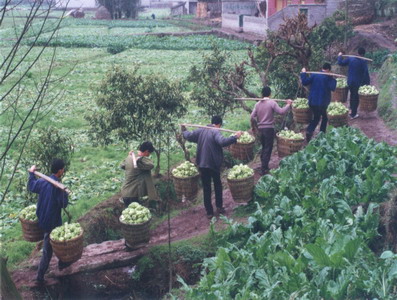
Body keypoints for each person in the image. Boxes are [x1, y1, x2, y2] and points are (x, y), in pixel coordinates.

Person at [181, 116, 242, 219]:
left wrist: (183, 130)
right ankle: (219, 207)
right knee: (217, 185)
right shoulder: (215, 131)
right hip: (213, 163)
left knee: (206, 187)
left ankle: (209, 212)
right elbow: (222, 142)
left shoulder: (201, 130)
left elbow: (189, 136)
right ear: (219, 124)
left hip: (202, 164)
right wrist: (235, 137)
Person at [28, 159, 69, 284]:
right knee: (48, 249)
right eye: (63, 169)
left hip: (42, 218)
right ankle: (39, 277)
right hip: (52, 221)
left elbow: (31, 186)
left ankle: (62, 263)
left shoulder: (42, 181)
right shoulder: (57, 187)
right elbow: (63, 204)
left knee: (56, 241)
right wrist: (65, 193)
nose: (63, 171)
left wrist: (31, 173)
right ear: (60, 170)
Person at [250, 86, 293, 175]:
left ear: (262, 94)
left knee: (264, 147)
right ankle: (264, 168)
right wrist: (288, 104)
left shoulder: (257, 104)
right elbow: (281, 112)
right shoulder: (272, 103)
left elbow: (252, 116)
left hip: (260, 129)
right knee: (268, 148)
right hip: (269, 129)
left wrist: (254, 126)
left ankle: (263, 165)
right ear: (270, 94)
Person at [300, 63, 337, 141]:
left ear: (322, 68)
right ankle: (321, 134)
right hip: (322, 103)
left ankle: (310, 131)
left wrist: (303, 73)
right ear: (328, 70)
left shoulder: (314, 75)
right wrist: (332, 78)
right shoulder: (328, 77)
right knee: (324, 118)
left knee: (317, 117)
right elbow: (333, 88)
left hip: (313, 101)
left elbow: (304, 82)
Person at [120, 141, 159, 207]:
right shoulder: (141, 160)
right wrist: (139, 160)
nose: (149, 155)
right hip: (133, 195)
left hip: (125, 193)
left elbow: (122, 165)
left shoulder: (130, 158)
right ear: (146, 151)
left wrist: (129, 156)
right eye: (149, 153)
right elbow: (151, 165)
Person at [337, 47, 370, 119]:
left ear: (357, 52)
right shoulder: (363, 61)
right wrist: (367, 84)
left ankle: (351, 108)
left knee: (352, 95)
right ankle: (353, 114)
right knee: (356, 97)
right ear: (363, 54)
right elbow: (365, 73)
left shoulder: (351, 58)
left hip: (350, 81)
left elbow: (340, 63)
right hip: (357, 83)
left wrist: (339, 56)